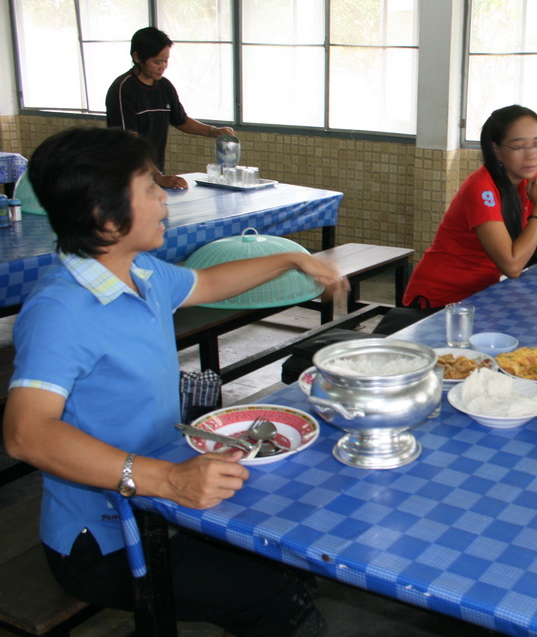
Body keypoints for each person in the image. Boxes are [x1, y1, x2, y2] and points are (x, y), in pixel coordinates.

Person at [3, 126, 344, 635]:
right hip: (106, 539)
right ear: (105, 215)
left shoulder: (140, 272)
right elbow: (26, 434)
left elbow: (208, 281)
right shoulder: (61, 310)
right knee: (273, 589)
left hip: (160, 504)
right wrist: (168, 480)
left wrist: (294, 258)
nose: (164, 197)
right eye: (148, 187)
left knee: (292, 552)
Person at [402, 105, 537, 309]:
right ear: (496, 150)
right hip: (439, 300)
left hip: (480, 295)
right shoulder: (481, 188)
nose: (532, 155)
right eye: (519, 147)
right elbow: (512, 266)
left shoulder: (533, 181)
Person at [106, 27, 234, 190]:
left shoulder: (165, 87)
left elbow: (181, 120)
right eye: (157, 62)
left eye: (166, 61)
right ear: (137, 57)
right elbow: (130, 143)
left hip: (154, 174)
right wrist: (157, 176)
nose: (163, 67)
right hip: (127, 179)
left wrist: (213, 131)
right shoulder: (123, 89)